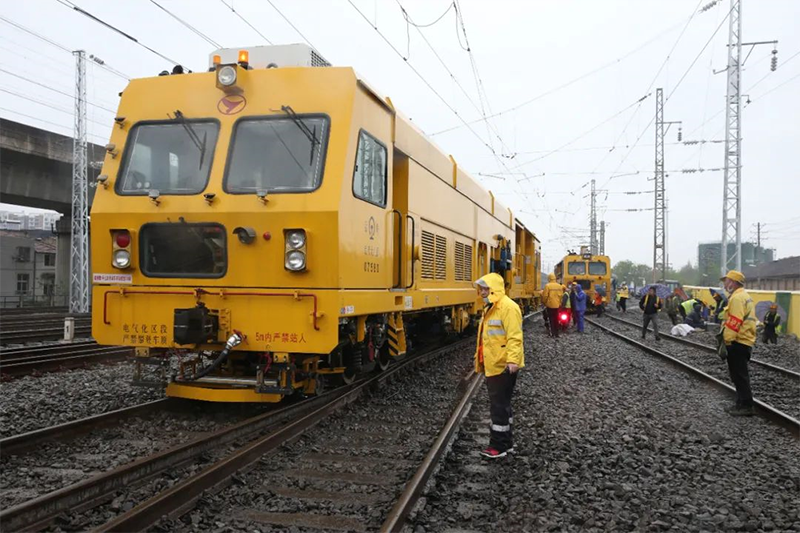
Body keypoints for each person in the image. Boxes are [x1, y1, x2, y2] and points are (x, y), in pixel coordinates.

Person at [474, 273, 524, 458]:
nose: (482, 292)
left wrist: (512, 360)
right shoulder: (492, 307)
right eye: (481, 289)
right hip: (495, 363)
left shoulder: (507, 307)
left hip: (502, 365)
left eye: (485, 289)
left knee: (498, 406)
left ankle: (498, 446)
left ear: (494, 289)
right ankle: (506, 442)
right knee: (503, 404)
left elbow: (515, 337)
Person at [718, 270, 756, 416]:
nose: (725, 284)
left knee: (739, 375)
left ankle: (746, 406)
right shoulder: (744, 296)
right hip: (744, 340)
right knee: (738, 375)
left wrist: (727, 341)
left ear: (733, 282)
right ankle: (740, 403)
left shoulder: (737, 298)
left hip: (737, 341)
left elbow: (735, 321)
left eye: (726, 281)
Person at [542, 273, 565, 338]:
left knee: (551, 319)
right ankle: (557, 333)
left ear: (549, 278)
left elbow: (545, 296)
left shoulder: (547, 286)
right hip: (557, 305)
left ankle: (552, 333)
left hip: (550, 305)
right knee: (556, 319)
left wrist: (544, 302)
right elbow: (561, 296)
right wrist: (559, 303)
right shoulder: (559, 286)